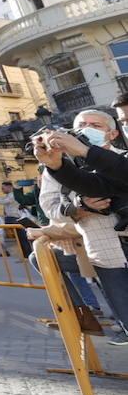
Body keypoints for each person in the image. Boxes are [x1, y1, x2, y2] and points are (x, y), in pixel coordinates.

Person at [30, 107, 128, 345]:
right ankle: (81, 313)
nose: (86, 130)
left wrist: (84, 151)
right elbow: (53, 204)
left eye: (95, 126)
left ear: (112, 133)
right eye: (82, 125)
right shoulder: (62, 164)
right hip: (101, 248)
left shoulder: (120, 158)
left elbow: (112, 178)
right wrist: (78, 206)